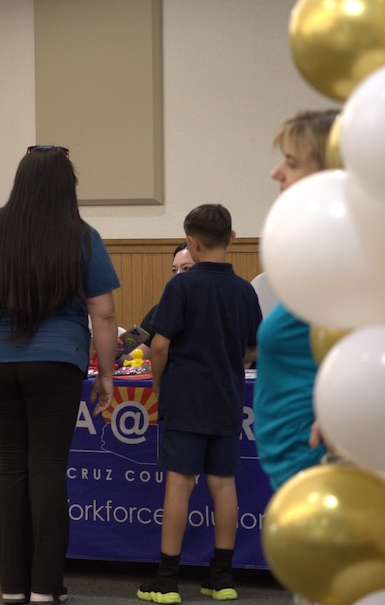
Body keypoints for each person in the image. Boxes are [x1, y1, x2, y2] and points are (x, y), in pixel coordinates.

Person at [0, 145, 120, 605]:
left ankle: (11, 587)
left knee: (10, 468)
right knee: (46, 470)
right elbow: (104, 314)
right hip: (57, 360)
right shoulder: (82, 236)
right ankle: (45, 587)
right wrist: (107, 374)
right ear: (69, 186)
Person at [137, 204, 262, 604]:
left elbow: (158, 345)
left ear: (191, 242)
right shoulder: (245, 290)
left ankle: (167, 581)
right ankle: (222, 578)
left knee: (179, 482)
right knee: (224, 484)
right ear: (233, 239)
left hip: (185, 398)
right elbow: (255, 347)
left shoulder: (181, 287)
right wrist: (228, 362)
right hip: (227, 397)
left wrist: (160, 387)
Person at [254, 109, 340, 494]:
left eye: (291, 162)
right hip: (300, 465)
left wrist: (350, 413)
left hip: (324, 461)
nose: (276, 172)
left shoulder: (350, 257)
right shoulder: (319, 253)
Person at [136, 243, 194, 350]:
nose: (177, 276)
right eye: (174, 270)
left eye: (186, 268)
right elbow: (137, 355)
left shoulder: (216, 308)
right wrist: (118, 351)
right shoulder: (160, 310)